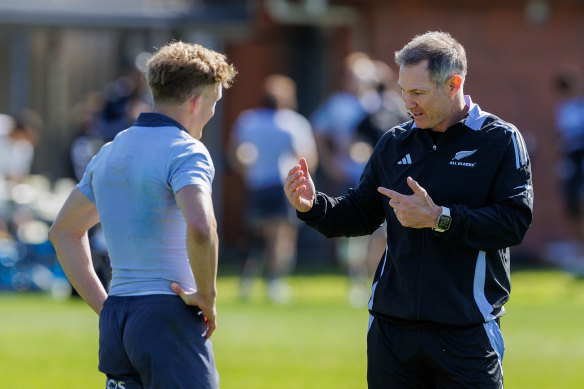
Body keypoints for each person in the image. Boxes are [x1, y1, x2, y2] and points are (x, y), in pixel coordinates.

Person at [284, 31, 533, 388]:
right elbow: (361, 212)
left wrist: (440, 218)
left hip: (465, 330)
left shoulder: (499, 140)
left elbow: (514, 222)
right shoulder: (394, 141)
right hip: (392, 329)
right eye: (403, 91)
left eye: (418, 93)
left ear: (453, 84)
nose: (408, 103)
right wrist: (312, 206)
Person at [49, 41, 236, 389]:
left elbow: (63, 232)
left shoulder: (110, 150)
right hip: (169, 318)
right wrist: (206, 296)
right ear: (197, 101)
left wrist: (105, 308)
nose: (211, 114)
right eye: (213, 103)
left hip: (118, 320)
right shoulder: (186, 150)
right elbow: (201, 225)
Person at [229, 74, 317, 303]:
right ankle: (275, 283)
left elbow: (236, 154)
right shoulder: (294, 123)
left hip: (257, 184)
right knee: (281, 237)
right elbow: (307, 158)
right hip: (282, 185)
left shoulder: (248, 120)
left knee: (254, 236)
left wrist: (248, 170)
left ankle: (248, 281)